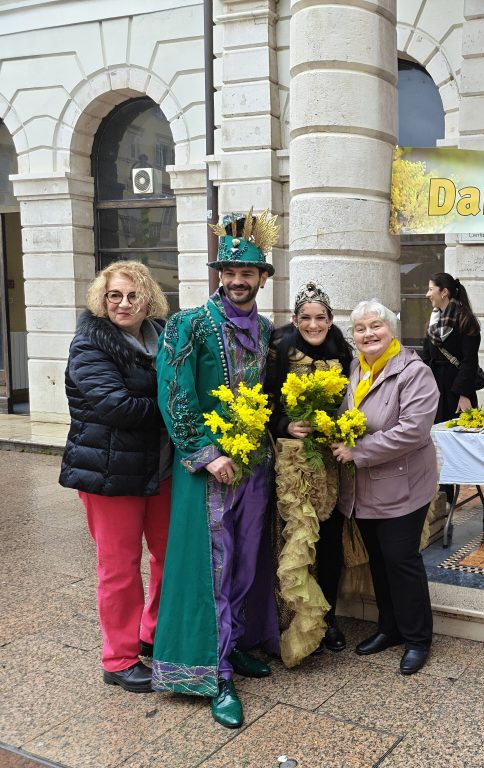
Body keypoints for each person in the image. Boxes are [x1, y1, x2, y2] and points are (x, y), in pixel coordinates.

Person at [153, 211, 281, 728]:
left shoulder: (267, 330)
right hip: (211, 469)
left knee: (247, 559)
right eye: (229, 273)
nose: (237, 281)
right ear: (220, 276)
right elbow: (174, 392)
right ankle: (214, 670)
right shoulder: (189, 324)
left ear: (262, 278)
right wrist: (207, 453)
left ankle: (238, 643)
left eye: (247, 273)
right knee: (215, 566)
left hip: (254, 466)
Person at [59, 261, 172, 693]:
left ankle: (152, 633)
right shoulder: (90, 342)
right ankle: (119, 659)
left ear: (149, 298)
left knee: (167, 556)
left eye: (133, 295)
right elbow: (116, 406)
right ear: (102, 300)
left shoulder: (162, 336)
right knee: (120, 567)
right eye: (114, 296)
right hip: (109, 472)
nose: (124, 303)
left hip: (159, 469)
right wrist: (176, 409)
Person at [334, 300, 440, 675]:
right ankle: (390, 628)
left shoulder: (414, 372)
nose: (369, 334)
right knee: (378, 560)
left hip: (402, 486)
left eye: (375, 326)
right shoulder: (355, 369)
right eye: (360, 329)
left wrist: (358, 451)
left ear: (391, 329)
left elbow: (413, 431)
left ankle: (418, 638)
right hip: (364, 488)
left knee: (401, 560)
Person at [266, 281, 355, 663]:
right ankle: (290, 619)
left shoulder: (343, 349)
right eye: (306, 317)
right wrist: (286, 425)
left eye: (321, 318)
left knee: (330, 539)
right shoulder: (280, 345)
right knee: (294, 537)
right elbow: (267, 398)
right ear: (294, 318)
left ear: (331, 320)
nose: (313, 325)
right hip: (293, 460)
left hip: (331, 458)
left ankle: (327, 618)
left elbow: (353, 397)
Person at [420, 272, 484, 500]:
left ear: (444, 292)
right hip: (436, 388)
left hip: (458, 389)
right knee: (438, 443)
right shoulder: (433, 320)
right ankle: (444, 497)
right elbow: (426, 357)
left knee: (471, 444)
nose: (427, 294)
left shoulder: (465, 320)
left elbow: (469, 361)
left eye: (431, 289)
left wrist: (464, 394)